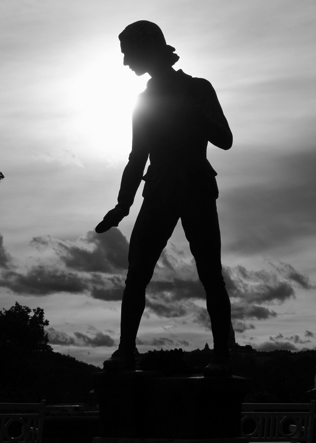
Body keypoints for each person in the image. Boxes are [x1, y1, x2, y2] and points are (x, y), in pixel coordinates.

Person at [96, 21, 233, 376]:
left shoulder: (197, 88)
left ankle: (222, 354)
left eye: (129, 53)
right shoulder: (143, 101)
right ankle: (126, 350)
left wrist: (195, 114)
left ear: (148, 50)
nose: (125, 62)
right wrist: (123, 204)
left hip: (196, 186)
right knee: (137, 272)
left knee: (210, 273)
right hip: (158, 189)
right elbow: (137, 157)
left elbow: (225, 138)